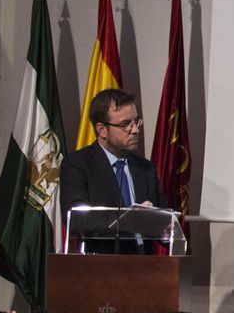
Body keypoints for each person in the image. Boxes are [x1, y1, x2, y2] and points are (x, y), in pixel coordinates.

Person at [60, 87, 167, 253]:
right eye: (125, 124)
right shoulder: (78, 164)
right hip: (101, 269)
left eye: (136, 121)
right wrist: (129, 221)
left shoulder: (146, 169)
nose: (135, 130)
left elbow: (166, 221)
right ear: (102, 130)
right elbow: (77, 219)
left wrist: (163, 225)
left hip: (146, 270)